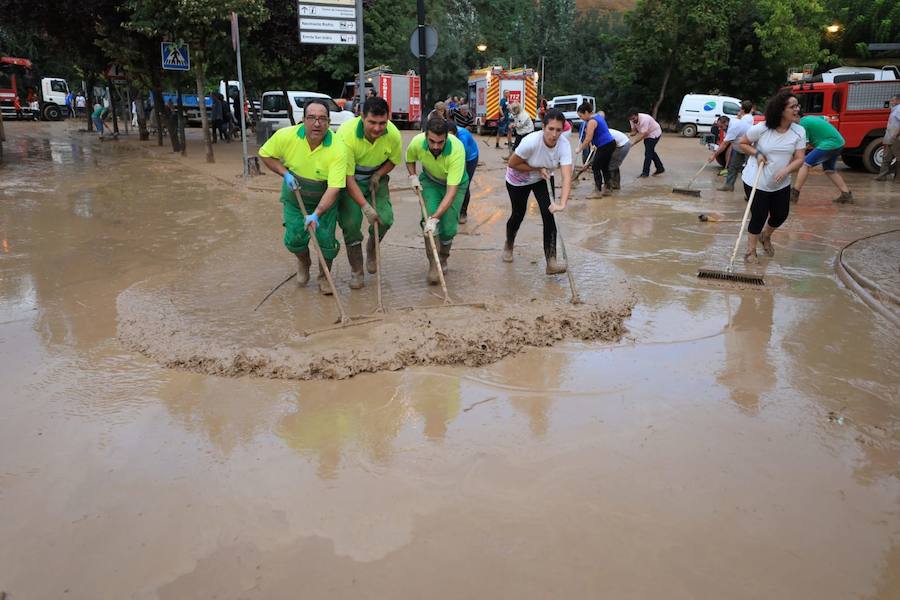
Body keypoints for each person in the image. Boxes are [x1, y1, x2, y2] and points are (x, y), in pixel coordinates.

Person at [258, 99, 348, 295]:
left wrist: (316, 214)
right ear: (303, 120)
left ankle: (325, 275)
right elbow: (265, 154)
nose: (317, 123)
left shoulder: (338, 147)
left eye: (323, 119)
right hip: (295, 197)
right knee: (294, 238)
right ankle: (304, 262)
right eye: (312, 118)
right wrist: (284, 173)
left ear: (329, 121)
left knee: (326, 240)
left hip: (324, 198)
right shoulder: (286, 136)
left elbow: (334, 188)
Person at [335, 97, 403, 289]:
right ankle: (357, 271)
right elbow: (346, 177)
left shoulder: (393, 134)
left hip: (375, 178)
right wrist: (365, 207)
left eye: (382, 123)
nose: (377, 128)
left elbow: (392, 160)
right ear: (362, 117)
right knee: (350, 225)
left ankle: (372, 247)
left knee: (385, 219)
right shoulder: (346, 135)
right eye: (372, 122)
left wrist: (379, 174)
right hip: (350, 180)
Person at [736, 90, 806, 262]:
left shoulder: (799, 131)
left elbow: (800, 159)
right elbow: (742, 143)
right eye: (792, 106)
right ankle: (750, 251)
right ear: (781, 110)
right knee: (758, 216)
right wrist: (757, 153)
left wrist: (786, 170)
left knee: (780, 214)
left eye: (797, 106)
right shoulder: (762, 129)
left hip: (780, 182)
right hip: (756, 180)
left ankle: (765, 236)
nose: (797, 109)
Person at [503, 108, 573, 274]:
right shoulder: (530, 142)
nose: (554, 134)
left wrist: (562, 204)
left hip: (544, 177)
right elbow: (512, 163)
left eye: (558, 130)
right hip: (519, 178)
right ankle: (509, 244)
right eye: (550, 129)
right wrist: (536, 168)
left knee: (550, 215)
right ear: (543, 127)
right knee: (518, 214)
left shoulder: (564, 145)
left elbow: (567, 176)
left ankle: (551, 261)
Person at [405, 117, 468, 284]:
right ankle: (434, 264)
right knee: (429, 224)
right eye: (432, 141)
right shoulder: (417, 142)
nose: (435, 147)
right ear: (425, 136)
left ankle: (443, 257)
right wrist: (413, 176)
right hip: (431, 181)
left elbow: (451, 192)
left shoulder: (457, 149)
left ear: (446, 137)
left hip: (455, 185)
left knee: (447, 228)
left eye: (440, 142)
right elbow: (409, 158)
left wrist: (435, 218)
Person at [792, 114, 852, 203]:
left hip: (829, 144)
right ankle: (846, 194)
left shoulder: (802, 124)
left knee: (804, 164)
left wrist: (795, 158)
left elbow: (805, 145)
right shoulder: (810, 118)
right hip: (839, 142)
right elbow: (826, 118)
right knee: (829, 170)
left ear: (796, 118)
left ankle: (794, 193)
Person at [574, 102, 616, 196]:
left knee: (595, 166)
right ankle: (608, 189)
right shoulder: (597, 117)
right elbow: (596, 135)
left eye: (581, 116)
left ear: (586, 112)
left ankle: (597, 191)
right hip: (610, 143)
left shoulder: (591, 121)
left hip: (605, 145)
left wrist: (579, 148)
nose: (581, 118)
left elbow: (588, 138)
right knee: (604, 167)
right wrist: (593, 144)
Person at [446, 121, 479, 224]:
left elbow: (461, 158)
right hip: (453, 156)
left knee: (464, 183)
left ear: (456, 134)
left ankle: (463, 212)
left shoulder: (462, 137)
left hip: (470, 158)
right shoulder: (443, 133)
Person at [715, 113, 752, 191]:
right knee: (733, 167)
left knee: (750, 169)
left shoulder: (733, 127)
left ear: (726, 123)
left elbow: (725, 144)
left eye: (721, 126)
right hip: (739, 148)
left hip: (750, 148)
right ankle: (729, 185)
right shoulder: (728, 125)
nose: (720, 129)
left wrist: (714, 155)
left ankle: (752, 191)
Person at [627, 108, 665, 177]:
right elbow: (634, 131)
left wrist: (633, 143)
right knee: (650, 151)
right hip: (647, 134)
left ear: (637, 115)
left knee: (648, 153)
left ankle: (645, 173)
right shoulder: (632, 120)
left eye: (633, 118)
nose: (632, 120)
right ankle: (660, 168)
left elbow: (642, 135)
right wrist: (629, 135)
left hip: (654, 133)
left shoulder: (645, 119)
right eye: (631, 119)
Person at [875, 94, 900, 182]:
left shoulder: (898, 110)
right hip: (890, 136)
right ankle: (882, 176)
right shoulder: (894, 110)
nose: (891, 102)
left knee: (898, 157)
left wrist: (896, 135)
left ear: (898, 101)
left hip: (895, 137)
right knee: (886, 157)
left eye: (893, 100)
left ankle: (897, 178)